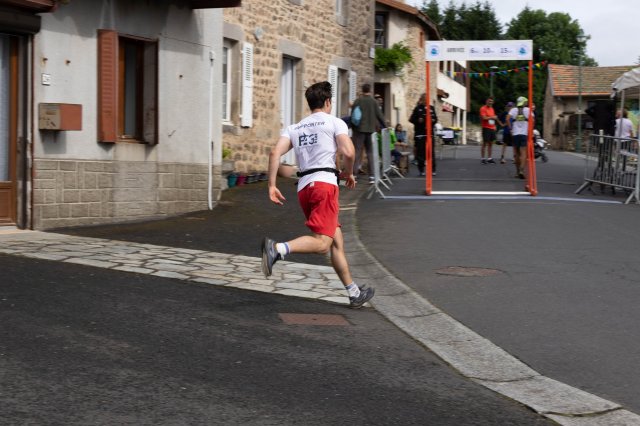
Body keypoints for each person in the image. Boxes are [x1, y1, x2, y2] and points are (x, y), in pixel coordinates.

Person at [261, 81, 375, 309]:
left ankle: (354, 293)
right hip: (324, 186)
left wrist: (272, 185)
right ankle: (277, 249)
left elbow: (274, 153)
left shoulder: (295, 128)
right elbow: (348, 151)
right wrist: (349, 173)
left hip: (305, 188)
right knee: (323, 244)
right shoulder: (334, 122)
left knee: (336, 242)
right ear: (328, 102)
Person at [351, 84, 387, 184]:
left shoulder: (358, 101)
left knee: (357, 152)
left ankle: (354, 175)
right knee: (370, 153)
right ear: (370, 90)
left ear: (362, 90)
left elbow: (353, 116)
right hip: (371, 130)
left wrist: (353, 128)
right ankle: (371, 176)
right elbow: (379, 115)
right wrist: (385, 126)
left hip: (359, 130)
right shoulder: (374, 102)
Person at [409, 93, 438, 176]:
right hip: (420, 134)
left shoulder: (431, 108)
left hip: (430, 134)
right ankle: (421, 170)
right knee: (421, 153)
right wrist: (418, 120)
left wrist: (433, 121)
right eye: (425, 98)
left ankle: (433, 169)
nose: (426, 100)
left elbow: (436, 119)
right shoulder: (418, 108)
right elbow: (411, 119)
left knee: (431, 152)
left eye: (427, 98)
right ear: (422, 99)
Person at [508, 96, 534, 179]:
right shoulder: (528, 110)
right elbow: (533, 120)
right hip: (524, 134)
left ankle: (517, 172)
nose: (526, 103)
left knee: (516, 154)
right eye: (526, 102)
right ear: (524, 102)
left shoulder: (513, 110)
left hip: (515, 134)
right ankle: (521, 170)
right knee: (523, 153)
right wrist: (531, 130)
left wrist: (510, 129)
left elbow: (507, 119)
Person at [480, 97, 499, 164]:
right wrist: (492, 117)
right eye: (489, 101)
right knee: (485, 143)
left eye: (491, 101)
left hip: (492, 128)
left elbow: (493, 119)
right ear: (486, 101)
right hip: (486, 128)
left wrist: (494, 126)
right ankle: (483, 159)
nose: (490, 102)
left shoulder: (492, 109)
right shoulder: (483, 108)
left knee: (491, 143)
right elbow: (484, 118)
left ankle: (489, 158)